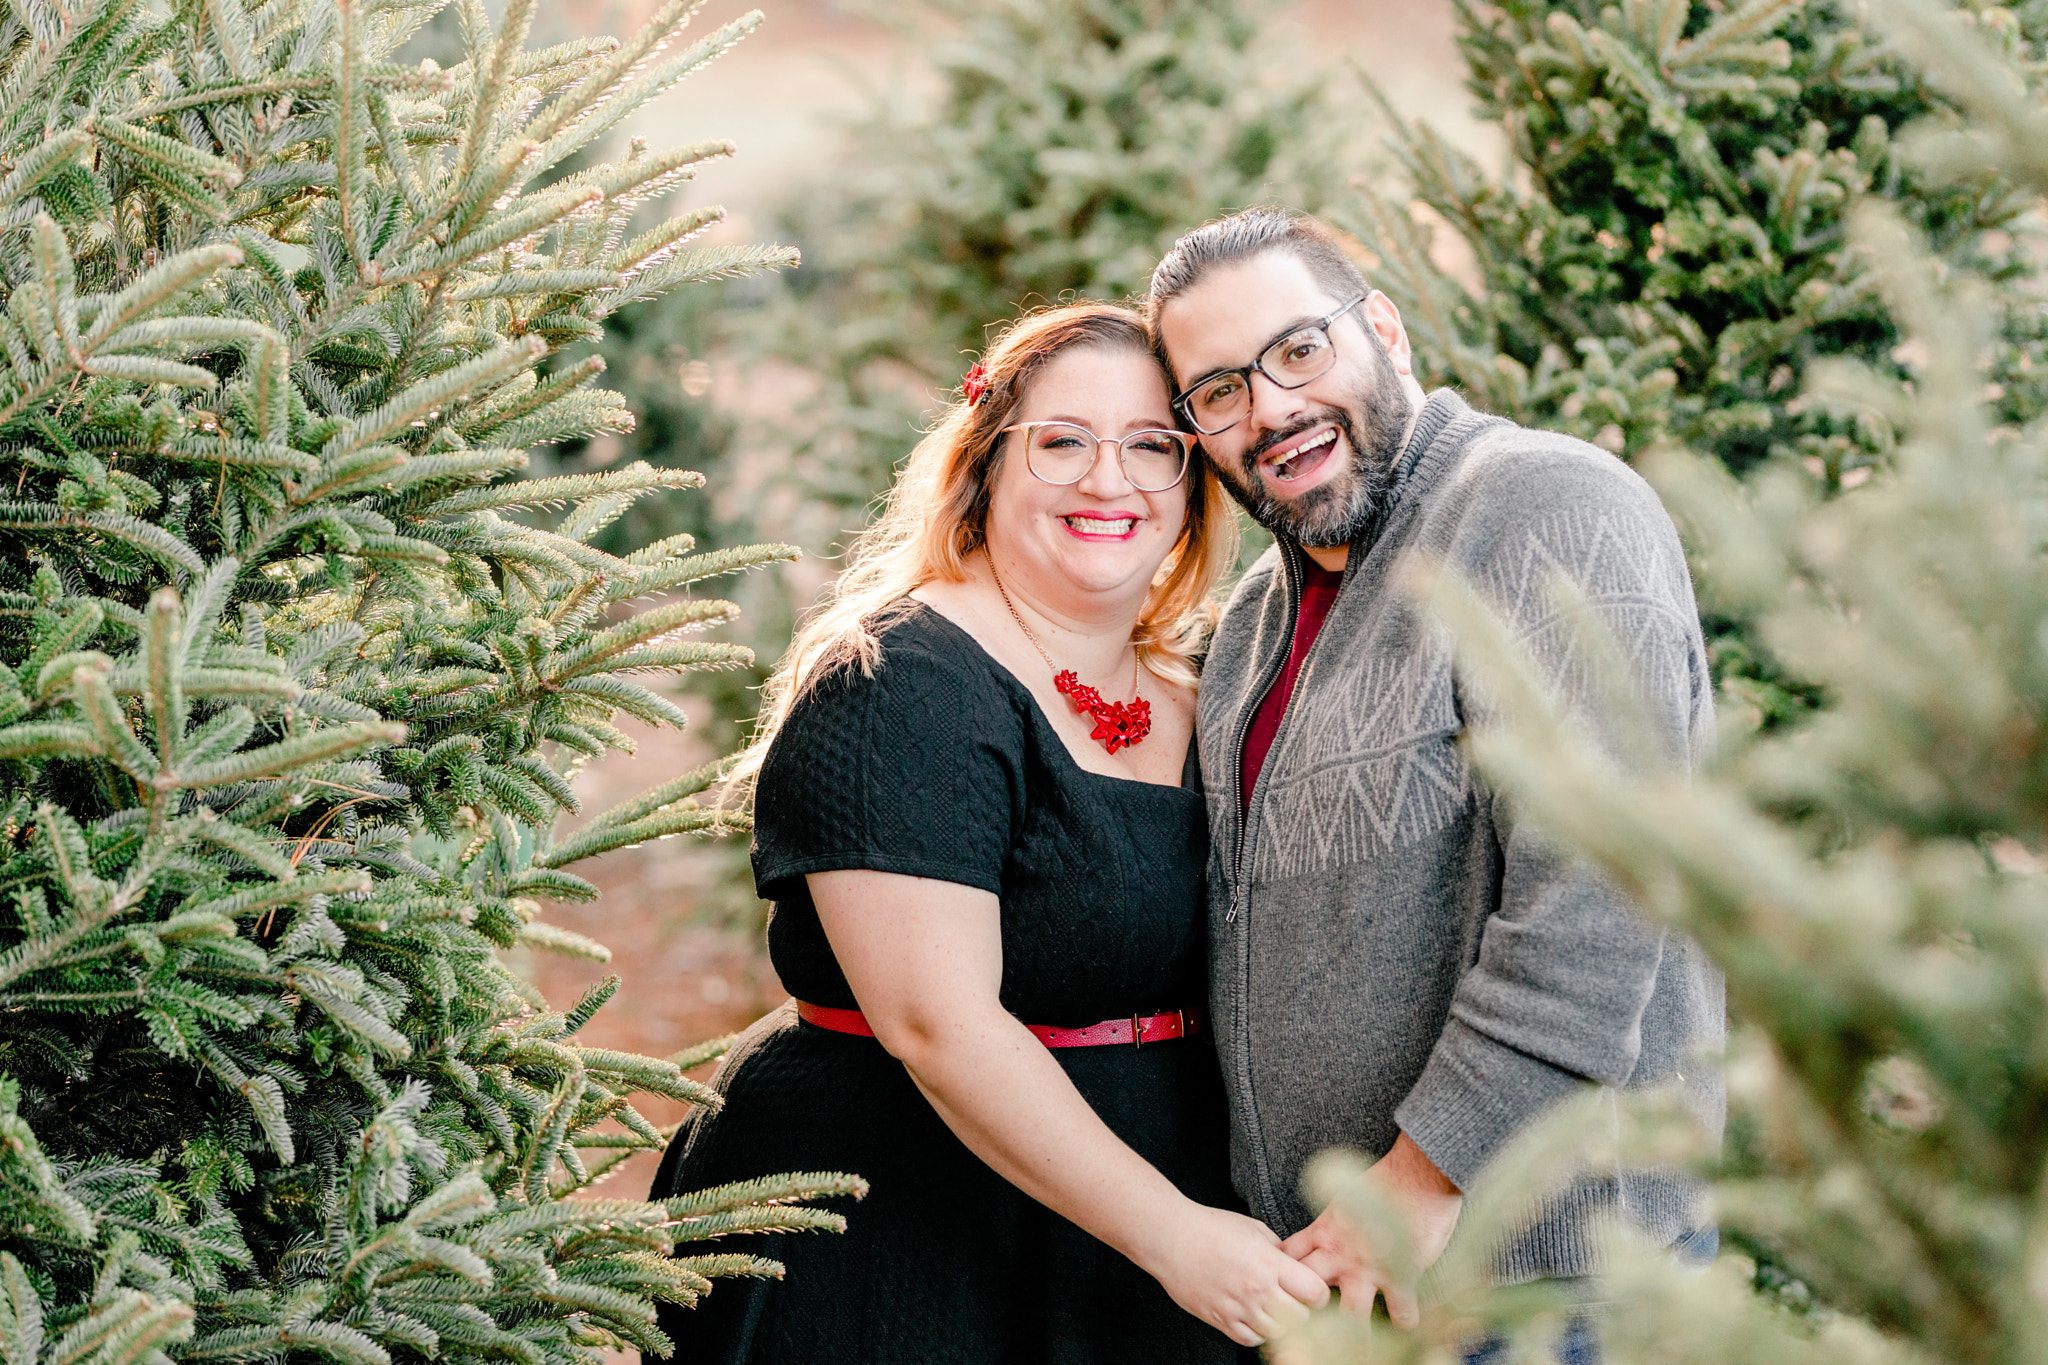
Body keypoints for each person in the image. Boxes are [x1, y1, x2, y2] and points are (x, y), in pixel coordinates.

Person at [648, 302, 1330, 1363]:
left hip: (1146, 1226)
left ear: (1192, 485)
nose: (1108, 481)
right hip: (900, 1221)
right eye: (1061, 443)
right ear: (984, 465)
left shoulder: (1202, 693)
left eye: (1152, 447)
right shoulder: (898, 682)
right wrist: (1177, 1239)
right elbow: (938, 1025)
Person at [1146, 212, 1726, 1337]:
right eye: (1217, 391)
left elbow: (1606, 884)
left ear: (1385, 331)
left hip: (1548, 1289)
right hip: (1345, 1292)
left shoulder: (1543, 508)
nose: (1269, 408)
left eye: (1297, 350)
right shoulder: (1258, 617)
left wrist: (1417, 1181)